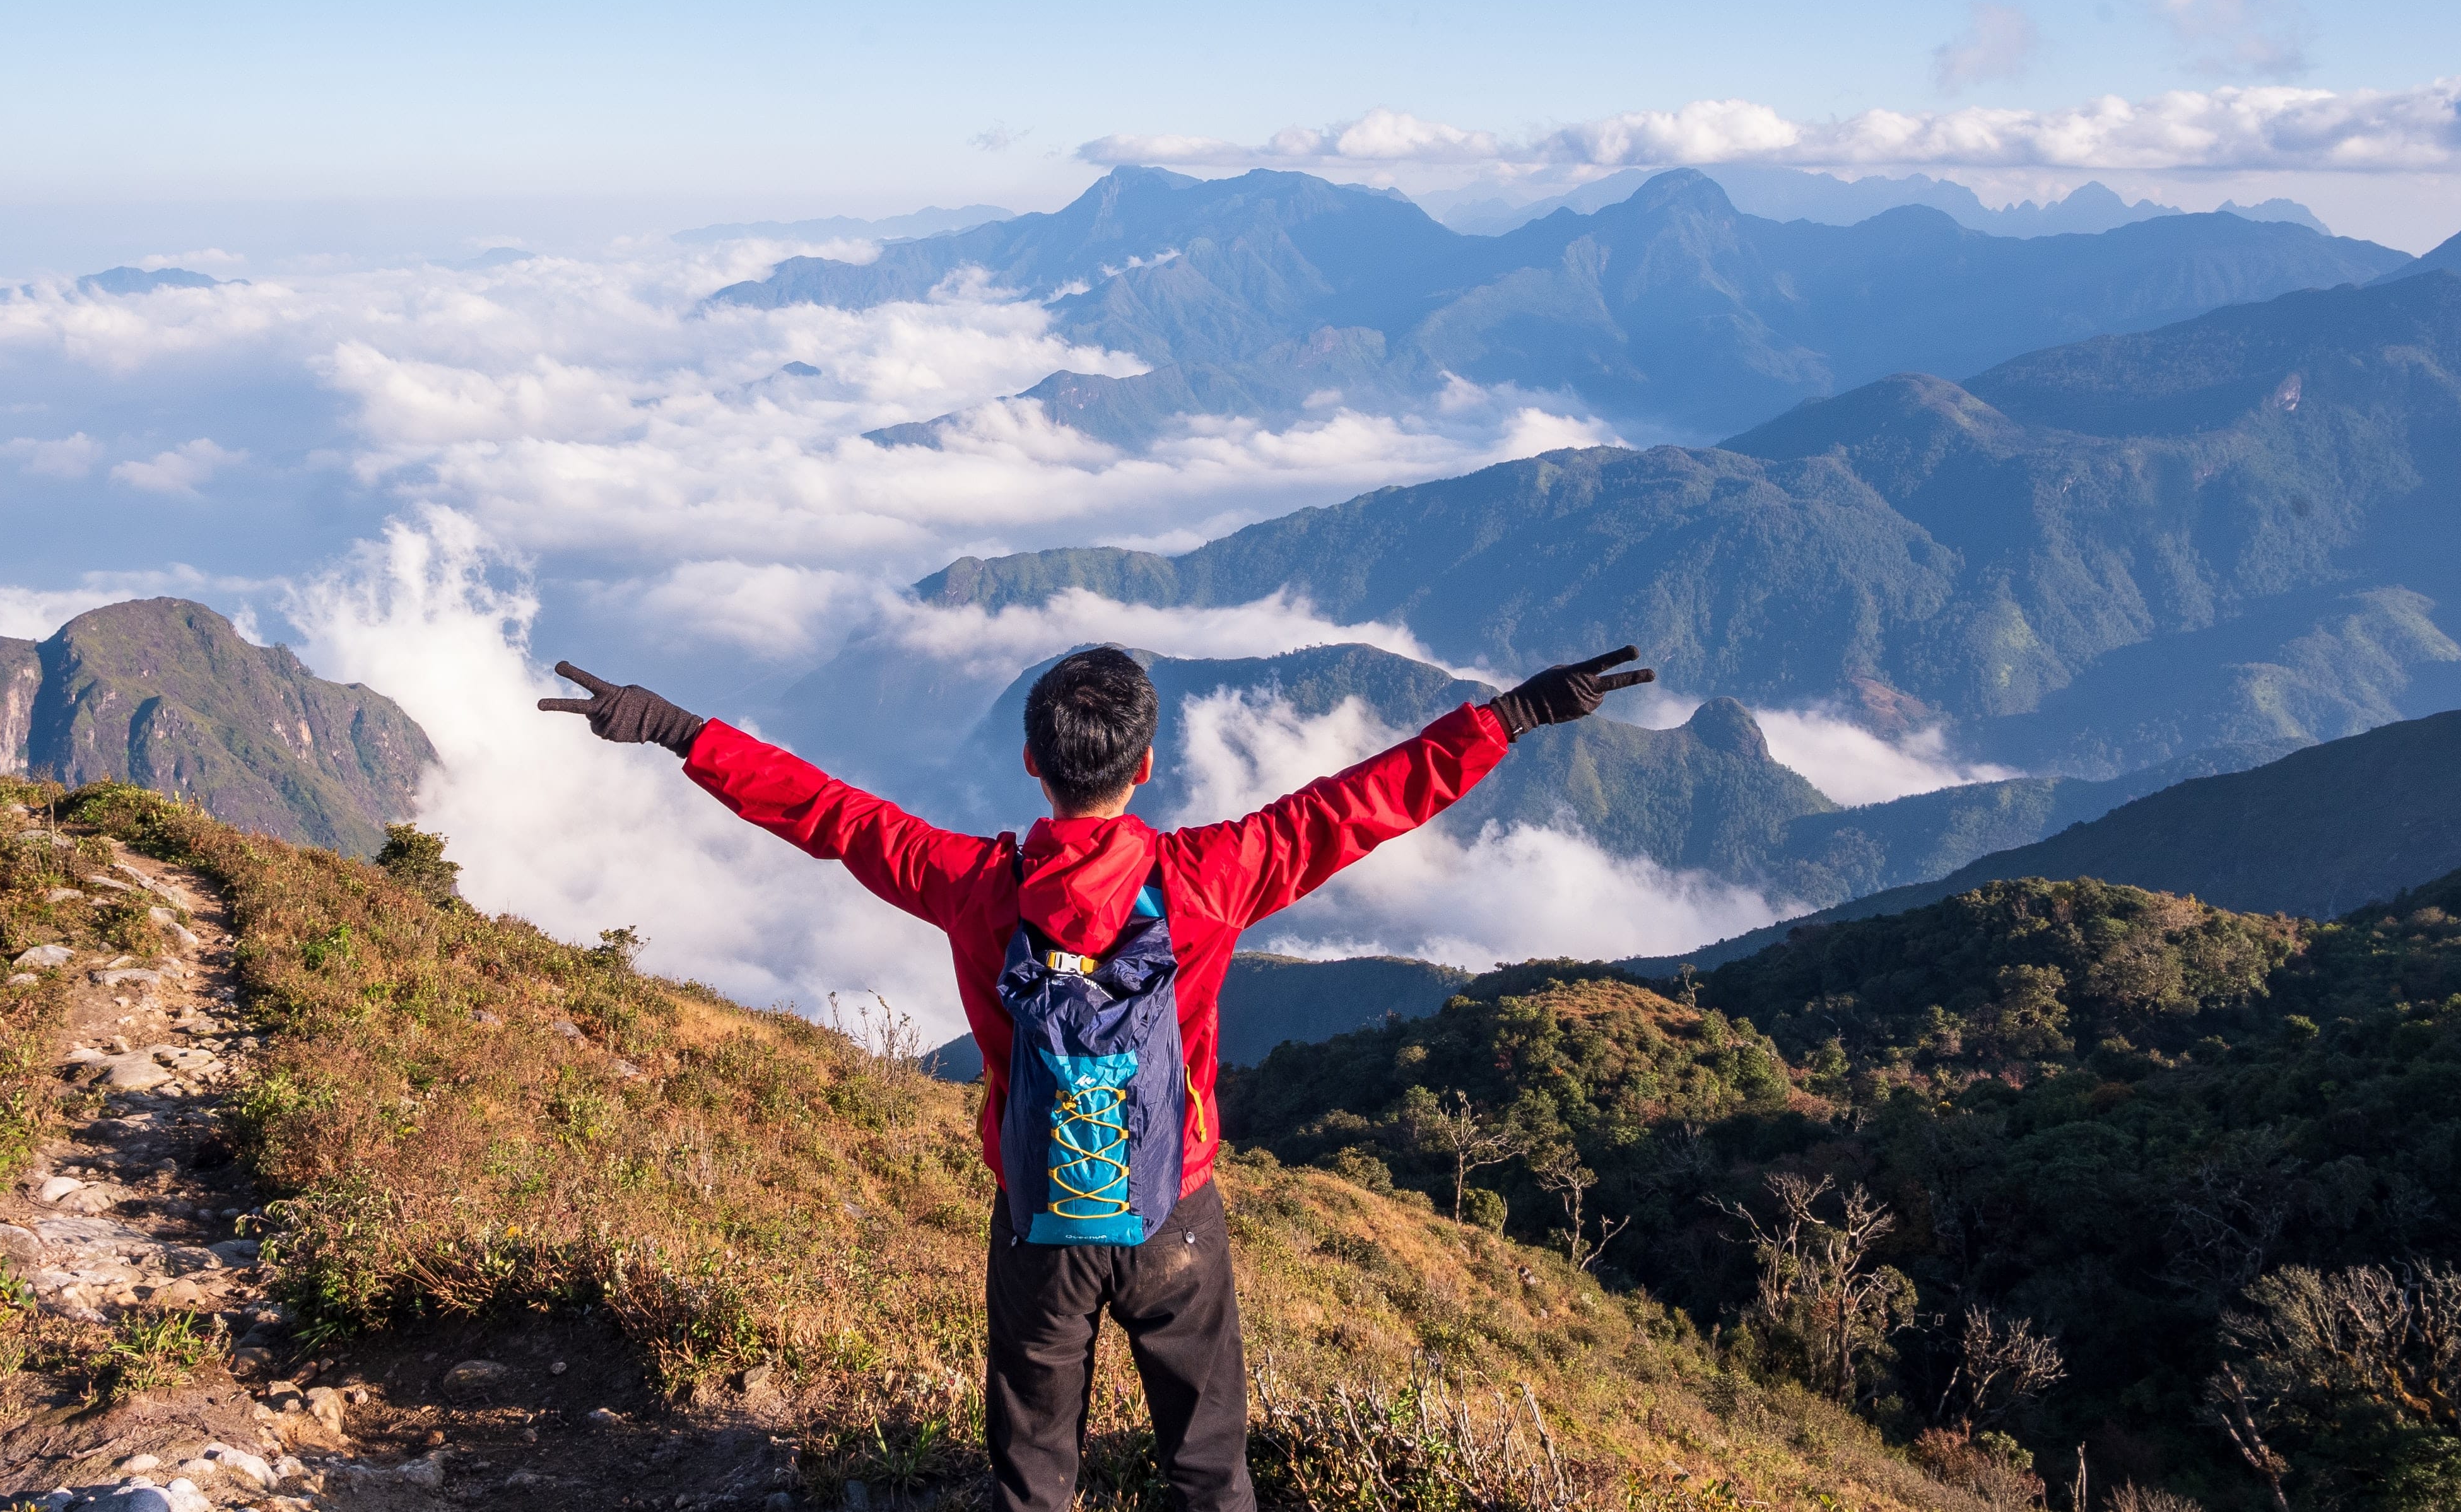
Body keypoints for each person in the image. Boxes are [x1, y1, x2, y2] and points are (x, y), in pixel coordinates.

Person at [539, 642, 1652, 1512]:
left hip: (1037, 1226)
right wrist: (1510, 716)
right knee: (1209, 1470)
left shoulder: (973, 881)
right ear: (1147, 765)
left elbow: (827, 815)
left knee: (1033, 1478)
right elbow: (1360, 806)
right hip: (1174, 1218)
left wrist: (677, 729)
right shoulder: (1212, 878)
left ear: (1032, 762)